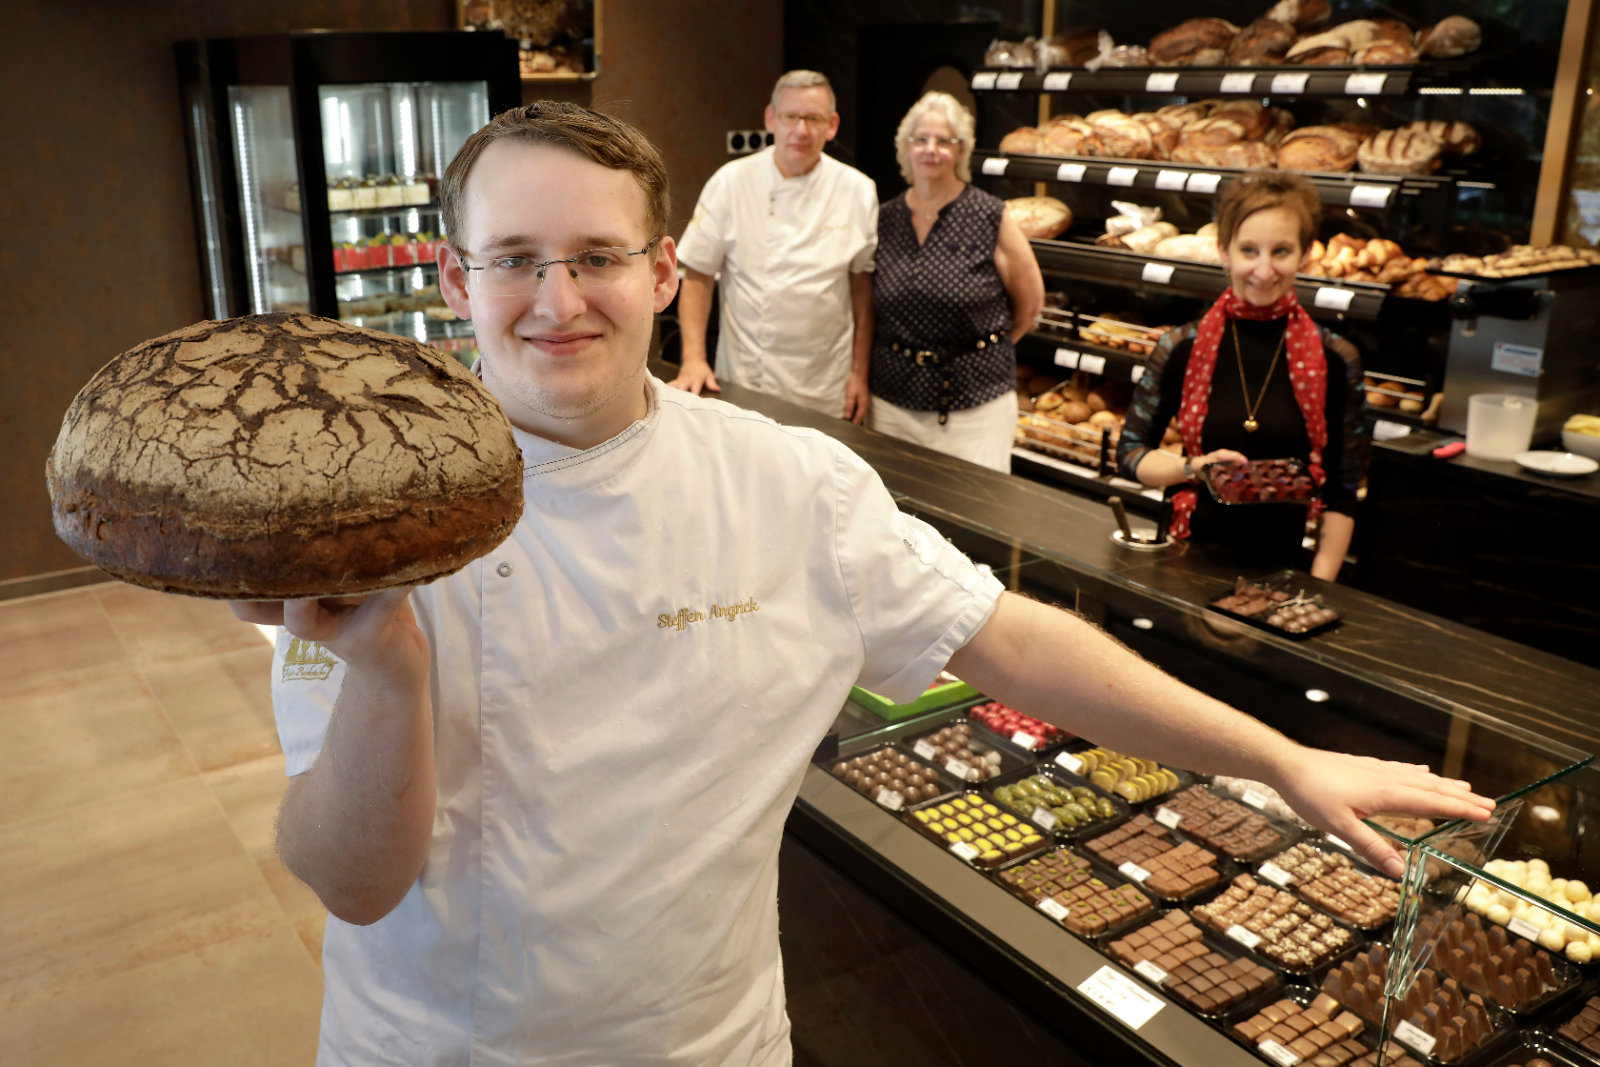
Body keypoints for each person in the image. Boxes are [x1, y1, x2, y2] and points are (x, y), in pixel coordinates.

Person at [233, 104, 1488, 1066]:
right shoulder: (359, 524)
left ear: (665, 273)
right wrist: (385, 664)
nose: (557, 299)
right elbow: (352, 879)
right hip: (439, 1048)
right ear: (455, 284)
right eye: (512, 259)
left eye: (596, 256)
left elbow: (1016, 644)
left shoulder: (790, 486)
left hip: (707, 1043)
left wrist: (1274, 756)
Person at [1116, 171, 1365, 581]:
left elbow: (1341, 489)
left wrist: (1319, 586)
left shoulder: (1335, 359)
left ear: (1305, 254)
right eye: (1249, 250)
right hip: (1184, 566)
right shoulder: (1181, 346)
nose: (1264, 270)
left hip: (1284, 575)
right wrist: (1194, 468)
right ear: (1224, 251)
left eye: (1281, 251)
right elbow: (1129, 454)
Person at [669, 71, 878, 422]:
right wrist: (693, 358)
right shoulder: (731, 182)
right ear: (771, 119)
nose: (802, 130)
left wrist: (859, 373)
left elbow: (861, 288)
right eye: (790, 117)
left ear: (832, 125)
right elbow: (698, 275)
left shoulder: (858, 190)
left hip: (825, 382)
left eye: (814, 119)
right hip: (747, 379)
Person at [869, 91, 1044, 472]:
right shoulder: (884, 218)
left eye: (944, 141)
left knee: (972, 518)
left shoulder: (988, 215)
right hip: (892, 403)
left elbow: (1030, 303)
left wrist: (979, 349)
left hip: (976, 406)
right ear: (905, 148)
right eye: (921, 139)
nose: (931, 150)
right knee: (893, 517)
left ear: (961, 150)